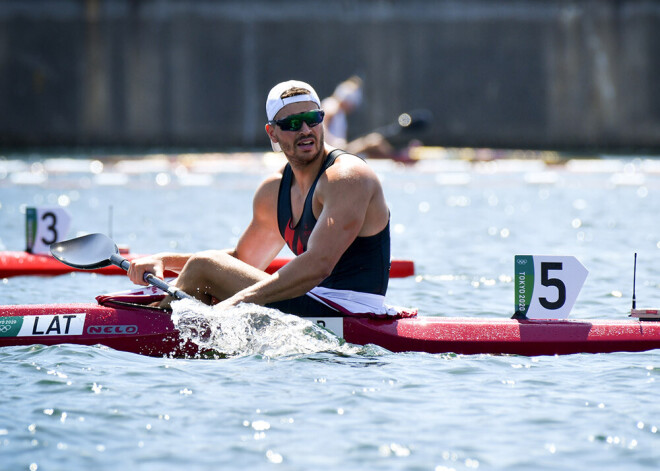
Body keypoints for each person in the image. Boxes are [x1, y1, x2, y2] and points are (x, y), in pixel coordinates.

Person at [128, 80, 392, 317]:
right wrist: (164, 260)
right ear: (272, 133)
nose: (305, 130)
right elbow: (242, 261)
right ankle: (171, 327)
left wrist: (239, 300)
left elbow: (319, 264)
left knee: (203, 266)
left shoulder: (347, 177)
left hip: (354, 312)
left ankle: (157, 325)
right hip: (311, 303)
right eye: (290, 123)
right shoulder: (273, 191)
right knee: (202, 270)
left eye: (312, 118)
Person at [322, 76, 415, 161]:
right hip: (335, 149)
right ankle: (398, 157)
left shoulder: (340, 112)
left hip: (339, 148)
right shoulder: (332, 105)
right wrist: (334, 142)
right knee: (374, 141)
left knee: (371, 149)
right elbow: (322, 126)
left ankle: (396, 157)